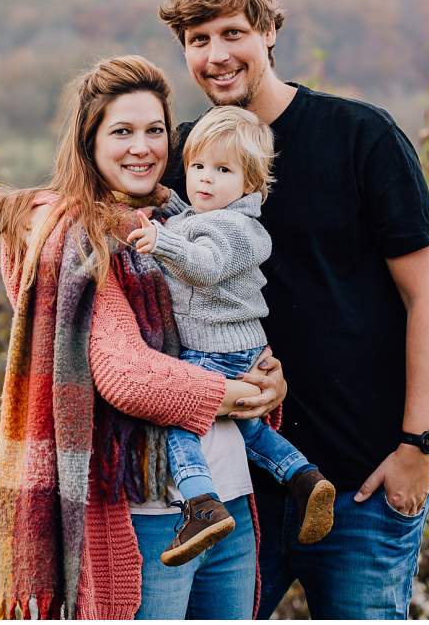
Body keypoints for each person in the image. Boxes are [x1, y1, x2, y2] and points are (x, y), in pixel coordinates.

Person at [158, 0, 429, 619]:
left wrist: (419, 447)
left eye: (231, 32)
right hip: (234, 490)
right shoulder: (185, 161)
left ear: (268, 31)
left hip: (363, 482)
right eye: (197, 40)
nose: (215, 54)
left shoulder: (359, 135)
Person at [0, 55, 287, 620]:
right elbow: (128, 374)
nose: (142, 147)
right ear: (88, 142)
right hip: (146, 516)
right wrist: (240, 395)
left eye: (154, 131)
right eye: (121, 132)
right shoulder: (71, 239)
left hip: (230, 500)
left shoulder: (182, 221)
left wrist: (270, 376)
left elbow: (231, 319)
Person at [127, 105, 336, 568]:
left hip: (218, 349)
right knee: (248, 426)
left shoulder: (243, 231)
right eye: (198, 166)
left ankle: (201, 503)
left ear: (251, 186)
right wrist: (165, 202)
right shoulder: (212, 215)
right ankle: (303, 477)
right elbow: (191, 220)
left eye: (222, 170)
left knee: (178, 419)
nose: (204, 179)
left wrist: (160, 242)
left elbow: (204, 265)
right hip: (234, 347)